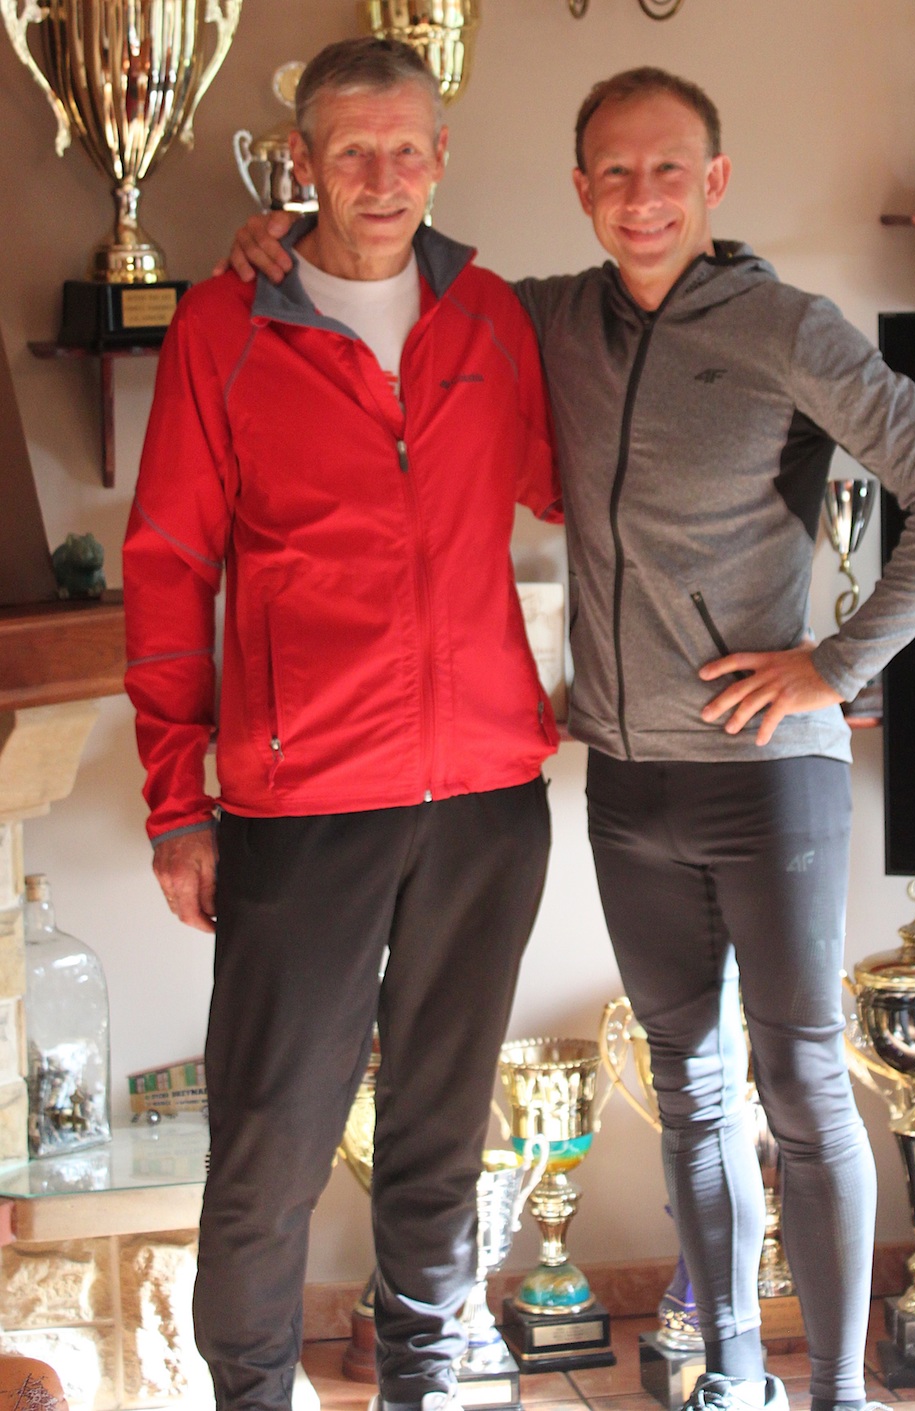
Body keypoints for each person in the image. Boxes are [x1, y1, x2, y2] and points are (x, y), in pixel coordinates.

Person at [223, 66, 915, 1411]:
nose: (643, 198)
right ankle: (735, 1373)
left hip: (768, 778)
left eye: (669, 170)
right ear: (582, 190)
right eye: (616, 174)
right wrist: (281, 237)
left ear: (716, 181)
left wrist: (836, 664)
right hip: (629, 783)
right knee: (690, 1092)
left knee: (805, 1084)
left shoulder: (789, 328)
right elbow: (392, 270)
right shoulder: (541, 320)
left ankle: (840, 1395)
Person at [123, 37, 562, 1411]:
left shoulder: (492, 318)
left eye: (406, 149)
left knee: (440, 1146)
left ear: (441, 157)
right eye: (352, 151)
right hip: (303, 802)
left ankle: (423, 1388)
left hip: (486, 800)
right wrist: (176, 800)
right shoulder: (224, 327)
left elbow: (579, 483)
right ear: (302, 162)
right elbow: (167, 566)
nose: (383, 178)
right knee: (270, 1145)